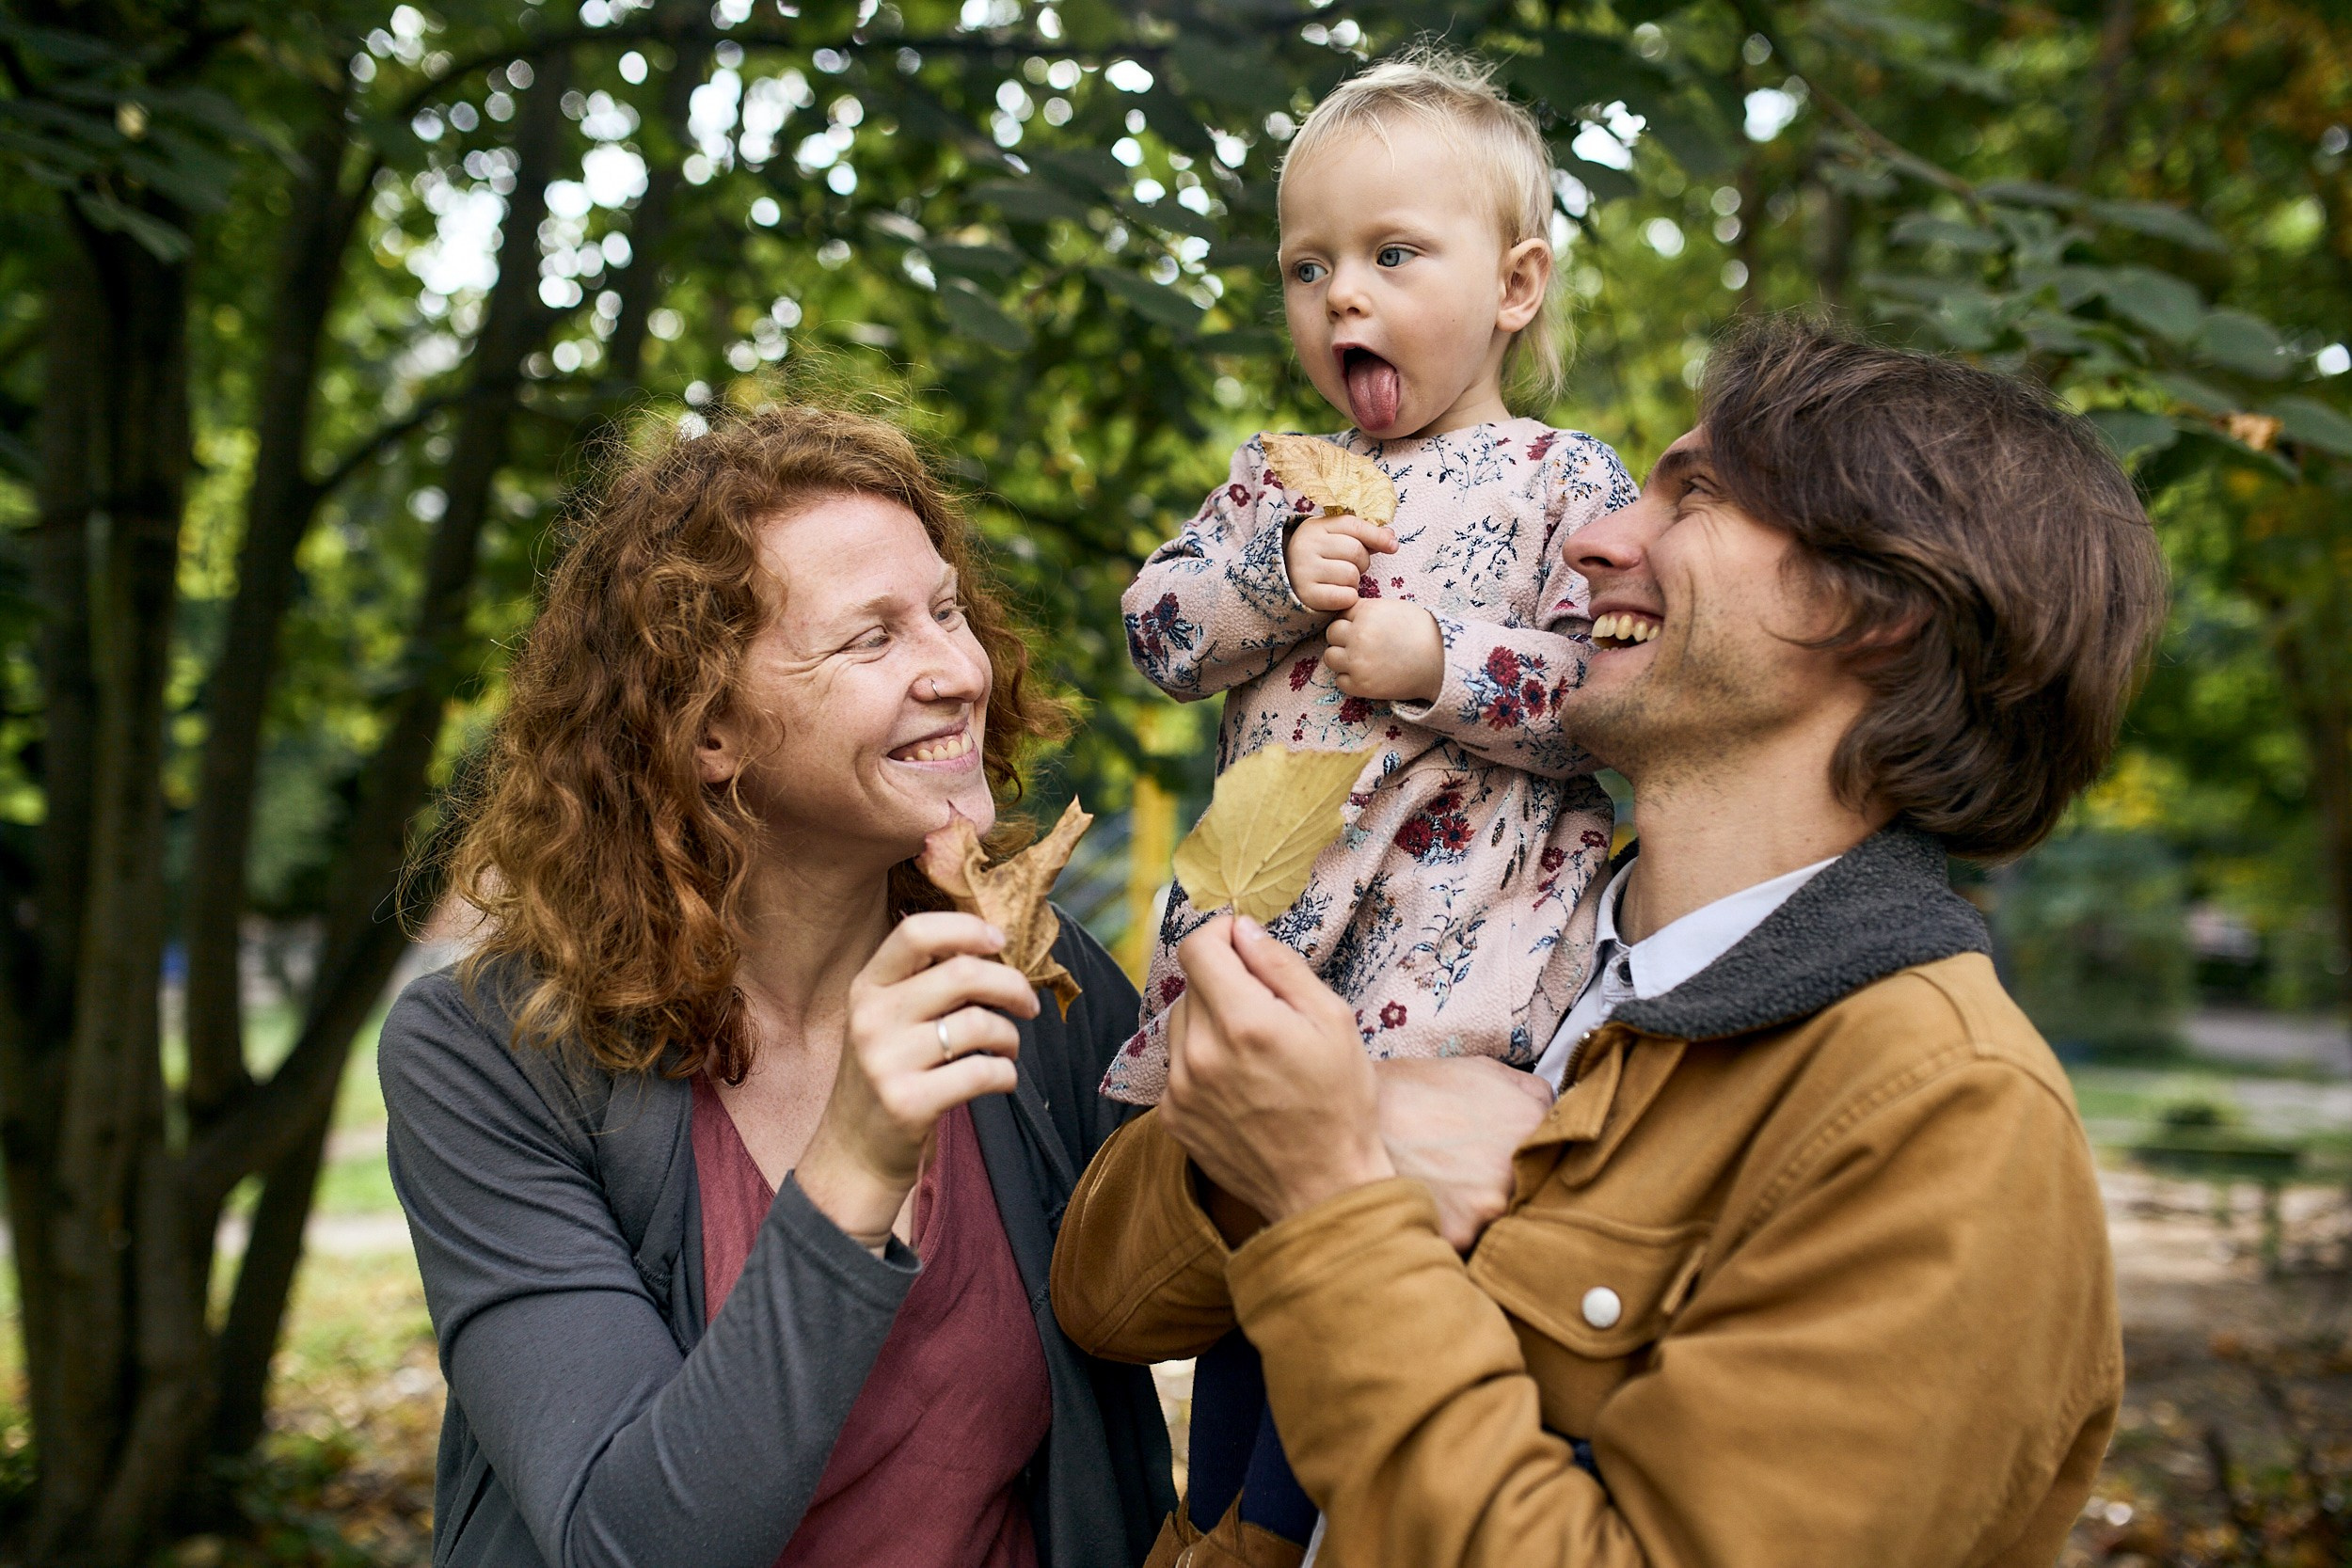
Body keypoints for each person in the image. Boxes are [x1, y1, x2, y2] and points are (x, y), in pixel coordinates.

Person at [1052, 319, 2169, 1568]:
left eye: (1695, 496)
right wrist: (1316, 1130)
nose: (1594, 537)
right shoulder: (1489, 927)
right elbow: (1105, 1298)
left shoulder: (1945, 1114)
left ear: (1880, 609)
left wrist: (1332, 1187)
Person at [379, 404, 1174, 1568]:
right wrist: (855, 1160)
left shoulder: (1031, 979)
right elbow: (626, 1544)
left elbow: (1214, 1287)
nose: (959, 669)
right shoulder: (488, 1054)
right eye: (872, 639)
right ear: (709, 729)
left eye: (948, 611)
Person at [1104, 48, 1634, 1105]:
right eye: (1307, 267)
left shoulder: (1562, 480)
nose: (1340, 291)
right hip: (1260, 925)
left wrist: (1441, 661)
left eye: (1392, 254)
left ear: (1514, 284)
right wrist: (1272, 579)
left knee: (1385, 1191)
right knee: (1191, 1179)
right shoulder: (1282, 480)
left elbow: (1614, 703)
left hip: (1449, 958)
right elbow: (1156, 633)